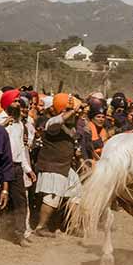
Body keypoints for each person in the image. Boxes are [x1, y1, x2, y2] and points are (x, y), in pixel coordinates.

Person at [34, 93, 82, 237]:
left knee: (76, 193)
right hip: (52, 167)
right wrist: (72, 110)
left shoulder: (69, 126)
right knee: (52, 198)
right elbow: (56, 122)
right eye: (72, 111)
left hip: (65, 167)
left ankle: (73, 225)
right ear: (64, 110)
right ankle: (40, 227)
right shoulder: (52, 123)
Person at [0, 89, 36, 247]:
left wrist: (28, 169)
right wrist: (1, 125)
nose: (17, 104)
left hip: (16, 167)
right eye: (14, 101)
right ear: (7, 103)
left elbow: (21, 148)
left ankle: (19, 234)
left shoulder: (20, 124)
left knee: (21, 202)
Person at [81, 99, 108, 163]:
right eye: (98, 117)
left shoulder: (104, 130)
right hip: (90, 161)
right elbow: (88, 146)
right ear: (92, 118)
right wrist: (101, 141)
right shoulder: (87, 130)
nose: (101, 119)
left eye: (103, 117)